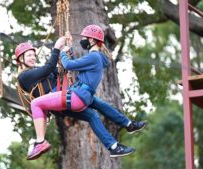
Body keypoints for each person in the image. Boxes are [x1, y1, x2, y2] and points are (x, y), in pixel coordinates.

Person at [16, 25, 146, 160]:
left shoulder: (38, 70)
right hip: (60, 99)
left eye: (33, 55)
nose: (32, 57)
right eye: (29, 55)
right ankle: (40, 141)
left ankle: (114, 145)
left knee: (92, 115)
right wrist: (56, 48)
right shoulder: (24, 76)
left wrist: (68, 49)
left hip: (66, 96)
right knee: (36, 103)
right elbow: (48, 68)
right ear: (20, 59)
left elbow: (60, 69)